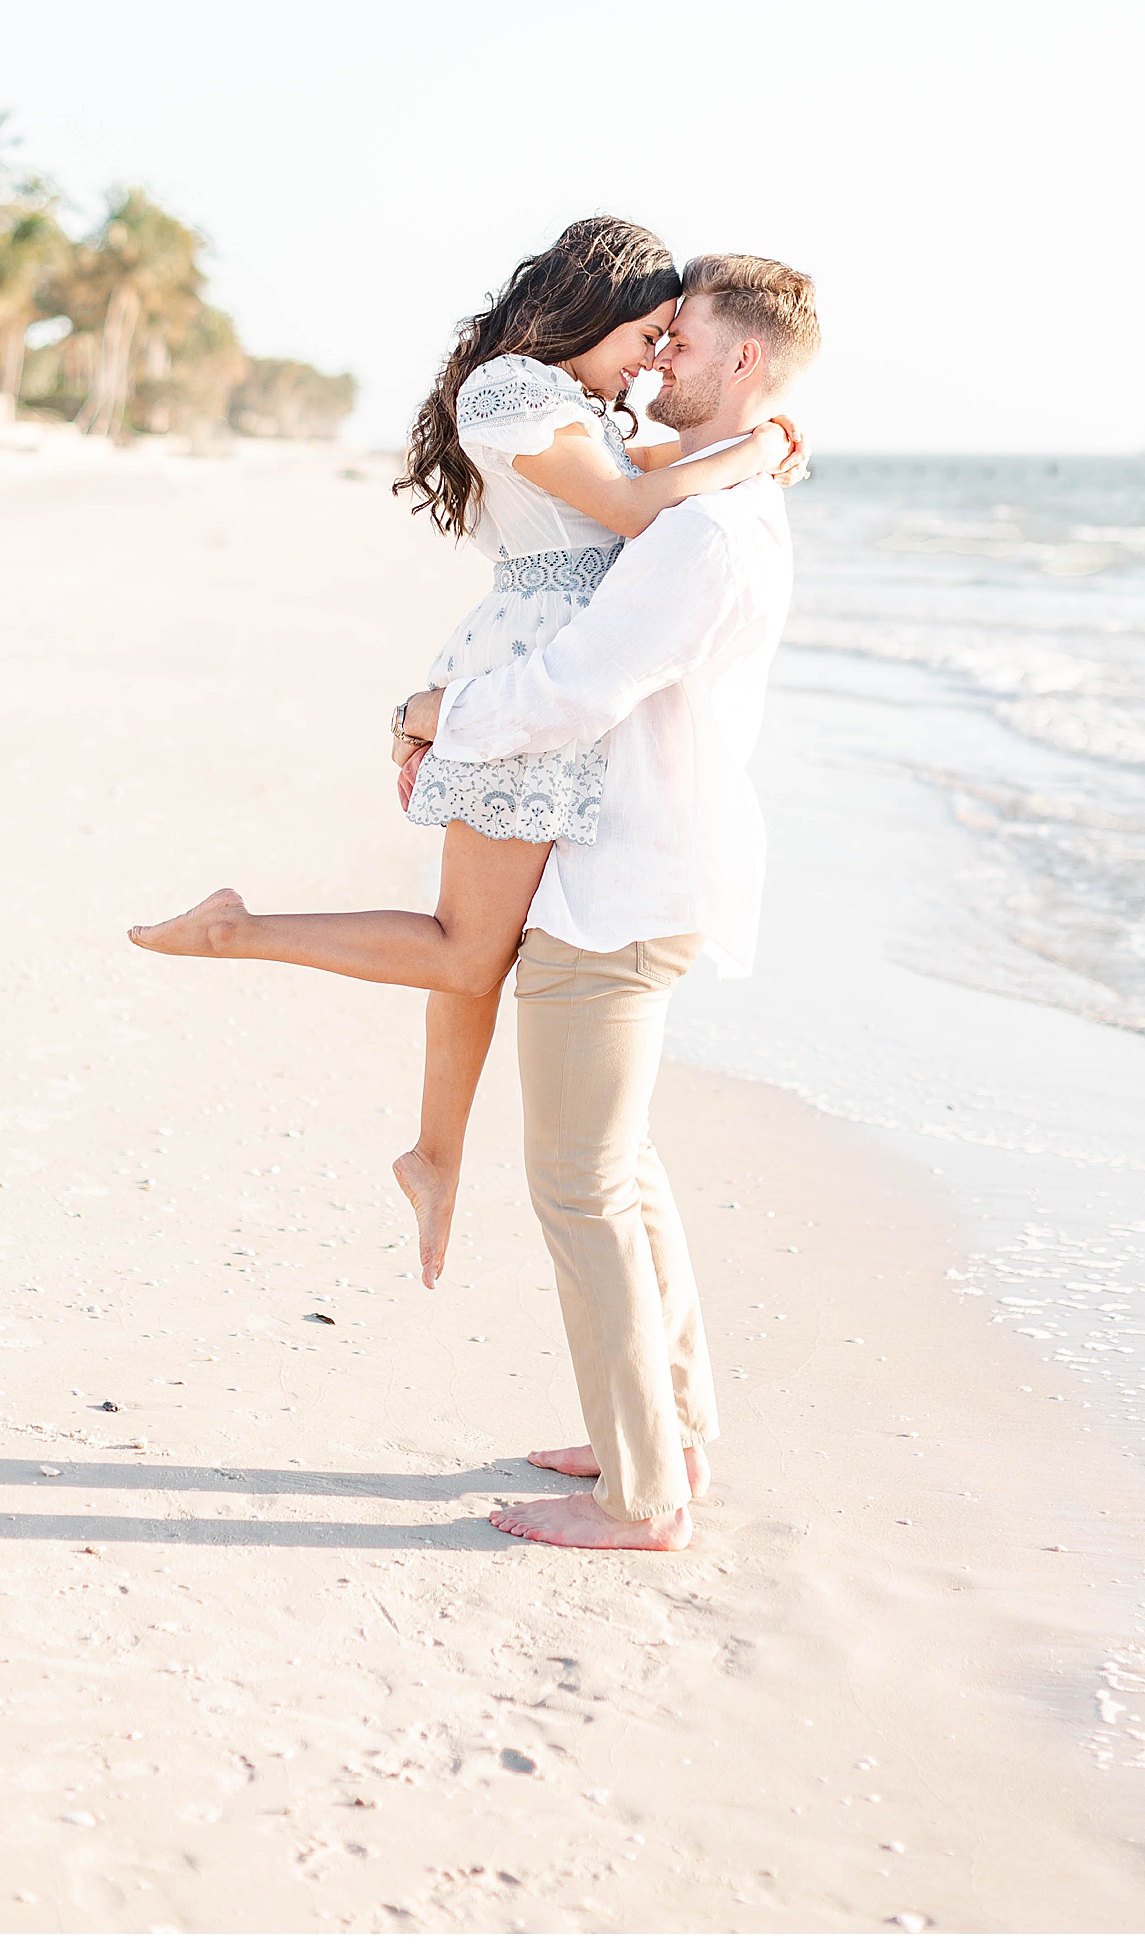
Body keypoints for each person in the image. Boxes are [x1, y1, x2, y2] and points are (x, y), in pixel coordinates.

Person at [128, 219, 803, 1291]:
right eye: (646, 336)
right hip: (526, 676)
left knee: (476, 946)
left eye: (668, 342)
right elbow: (633, 503)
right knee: (466, 950)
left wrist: (743, 446)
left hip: (550, 679)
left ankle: (434, 1155)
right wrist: (759, 449)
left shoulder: (571, 404)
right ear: (593, 310)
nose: (649, 363)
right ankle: (233, 928)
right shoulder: (508, 391)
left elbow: (648, 468)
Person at [393, 253, 821, 1550]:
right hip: (641, 868)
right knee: (620, 1172)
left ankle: (642, 1495)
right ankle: (666, 1434)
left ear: (744, 359)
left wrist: (436, 711)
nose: (657, 358)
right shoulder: (725, 502)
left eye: (680, 340)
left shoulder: (701, 528)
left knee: (578, 1187)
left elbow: (577, 686)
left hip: (621, 888)